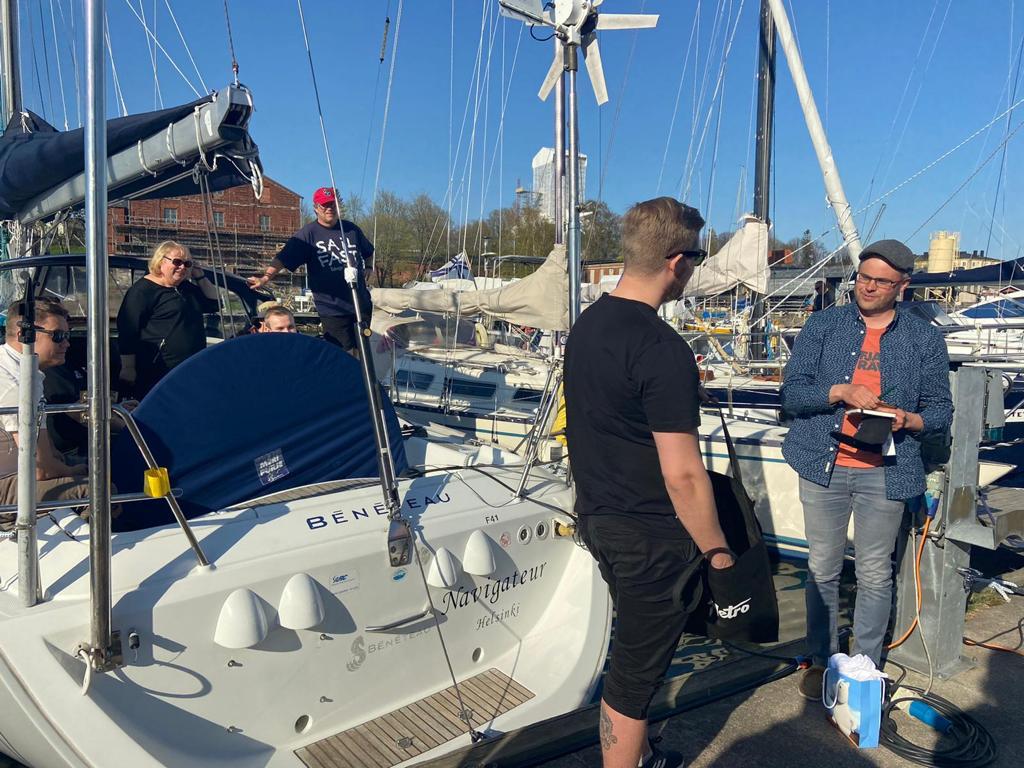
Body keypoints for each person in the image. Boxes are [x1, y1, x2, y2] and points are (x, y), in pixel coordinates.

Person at [565, 197, 735, 768]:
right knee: (635, 675)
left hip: (601, 518)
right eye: (697, 257)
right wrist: (717, 550)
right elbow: (682, 474)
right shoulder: (661, 349)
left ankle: (637, 756)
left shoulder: (587, 326)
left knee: (635, 651)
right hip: (652, 535)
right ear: (676, 261)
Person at [780, 239, 952, 700]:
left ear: (902, 286)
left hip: (885, 471)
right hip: (823, 463)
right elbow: (791, 394)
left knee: (876, 572)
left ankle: (865, 668)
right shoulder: (824, 325)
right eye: (863, 277)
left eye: (881, 281)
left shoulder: (923, 338)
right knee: (822, 567)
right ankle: (822, 660)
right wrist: (838, 391)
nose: (869, 287)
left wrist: (908, 420)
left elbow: (940, 411)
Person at [247, 187, 373, 353]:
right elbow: (282, 258)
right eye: (324, 205)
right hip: (333, 308)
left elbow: (368, 251)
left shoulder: (351, 229)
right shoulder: (308, 235)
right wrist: (265, 278)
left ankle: (359, 370)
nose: (329, 209)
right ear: (316, 208)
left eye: (332, 204)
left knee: (363, 350)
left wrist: (369, 267)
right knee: (341, 353)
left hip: (360, 302)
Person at [0, 300, 90, 525]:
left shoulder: (18, 369)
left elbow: (46, 454)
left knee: (98, 464)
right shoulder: (16, 385)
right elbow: (42, 470)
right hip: (6, 485)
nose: (67, 343)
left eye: (67, 335)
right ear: (24, 335)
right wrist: (74, 470)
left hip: (15, 472)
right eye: (58, 336)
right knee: (96, 489)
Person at [117, 241, 219, 399]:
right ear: (161, 261)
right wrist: (128, 367)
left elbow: (214, 303)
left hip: (190, 367)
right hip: (159, 368)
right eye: (177, 262)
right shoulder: (142, 291)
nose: (182, 267)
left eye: (187, 264)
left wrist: (199, 276)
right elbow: (128, 330)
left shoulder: (185, 288)